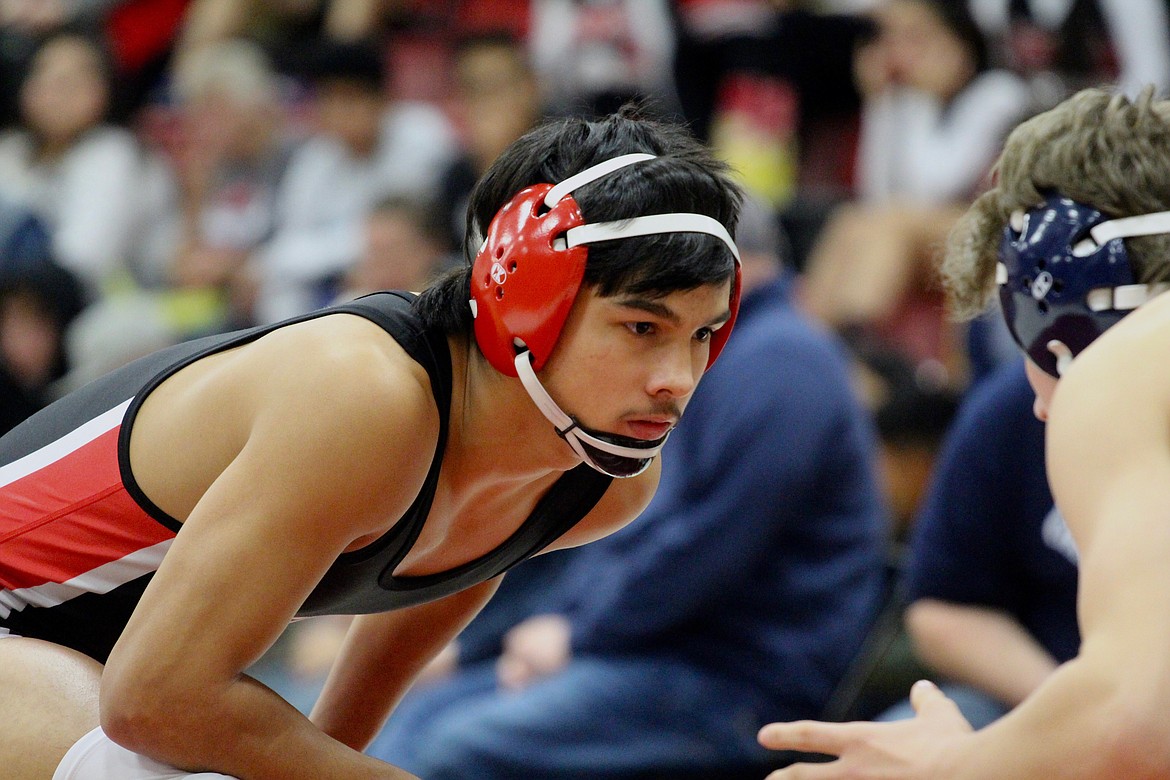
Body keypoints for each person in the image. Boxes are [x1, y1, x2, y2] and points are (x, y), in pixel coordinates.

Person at [0, 108, 743, 780]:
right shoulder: (363, 395)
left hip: (86, 660)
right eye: (642, 329)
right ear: (525, 296)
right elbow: (154, 702)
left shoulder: (599, 480)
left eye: (703, 334)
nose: (677, 380)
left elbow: (415, 620)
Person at [365, 196, 888, 778]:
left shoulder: (784, 361)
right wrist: (554, 629)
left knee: (453, 748)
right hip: (648, 648)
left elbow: (707, 547)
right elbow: (625, 535)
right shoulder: (717, 355)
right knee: (418, 718)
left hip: (734, 681)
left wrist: (576, 631)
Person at [758, 85, 1170, 779]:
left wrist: (951, 764)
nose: (1043, 409)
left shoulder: (1115, 374)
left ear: (1060, 309)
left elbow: (1130, 724)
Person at [874, 358, 1079, 729]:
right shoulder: (1012, 404)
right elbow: (941, 606)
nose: (1042, 407)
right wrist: (1073, 713)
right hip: (1037, 694)